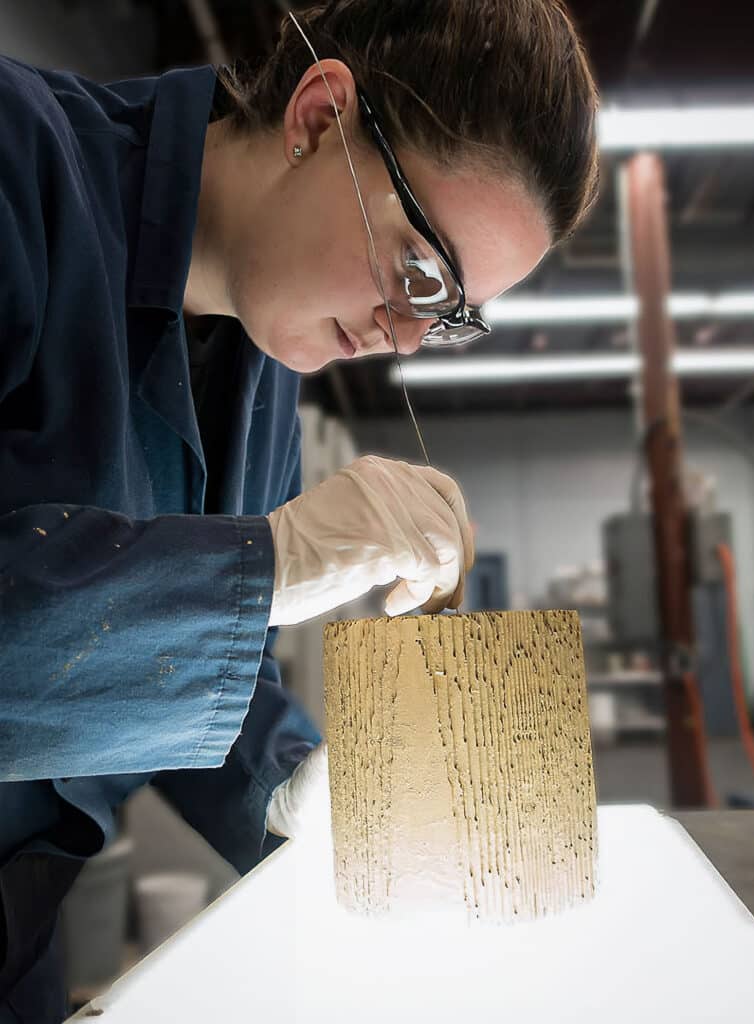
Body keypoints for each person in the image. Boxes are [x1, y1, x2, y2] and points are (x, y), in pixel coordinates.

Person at [0, 0, 599, 1018]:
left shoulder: (266, 359)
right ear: (319, 118)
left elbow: (172, 674)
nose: (405, 339)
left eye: (447, 317)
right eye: (419, 271)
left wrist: (293, 784)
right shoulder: (20, 171)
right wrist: (269, 564)